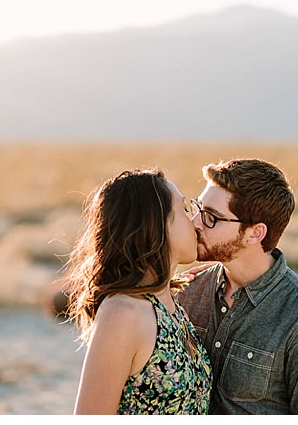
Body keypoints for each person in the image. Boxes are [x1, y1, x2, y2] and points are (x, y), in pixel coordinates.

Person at [179, 158, 298, 414]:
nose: (196, 223)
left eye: (211, 217)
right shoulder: (186, 291)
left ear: (255, 233)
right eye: (198, 208)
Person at [63, 168, 212, 414]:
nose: (196, 222)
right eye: (185, 210)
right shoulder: (123, 313)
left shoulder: (170, 304)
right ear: (155, 223)